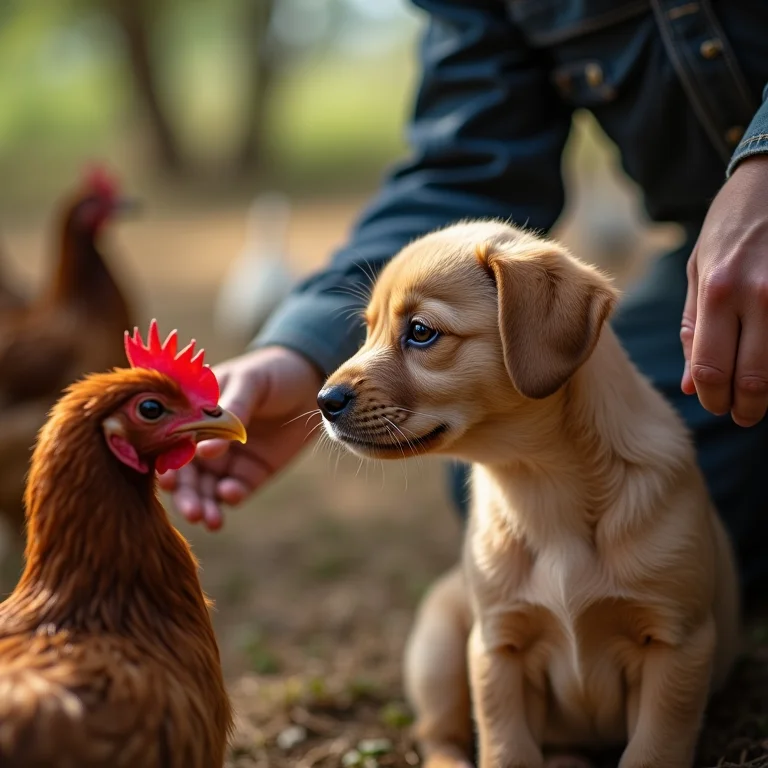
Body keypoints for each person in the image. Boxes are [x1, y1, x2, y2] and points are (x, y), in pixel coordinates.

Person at [160, 0, 768, 603]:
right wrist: (304, 350)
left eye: (422, 335)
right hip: (716, 274)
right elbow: (464, 173)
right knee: (513, 467)